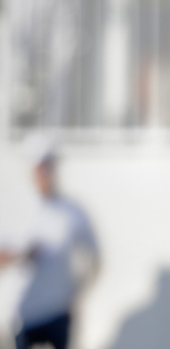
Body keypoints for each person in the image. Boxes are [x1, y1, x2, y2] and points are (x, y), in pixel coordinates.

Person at [0, 140, 99, 349]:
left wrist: (78, 296)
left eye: (48, 167)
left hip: (58, 311)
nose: (44, 173)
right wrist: (21, 256)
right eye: (39, 168)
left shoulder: (72, 211)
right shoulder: (14, 208)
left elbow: (94, 259)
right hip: (23, 314)